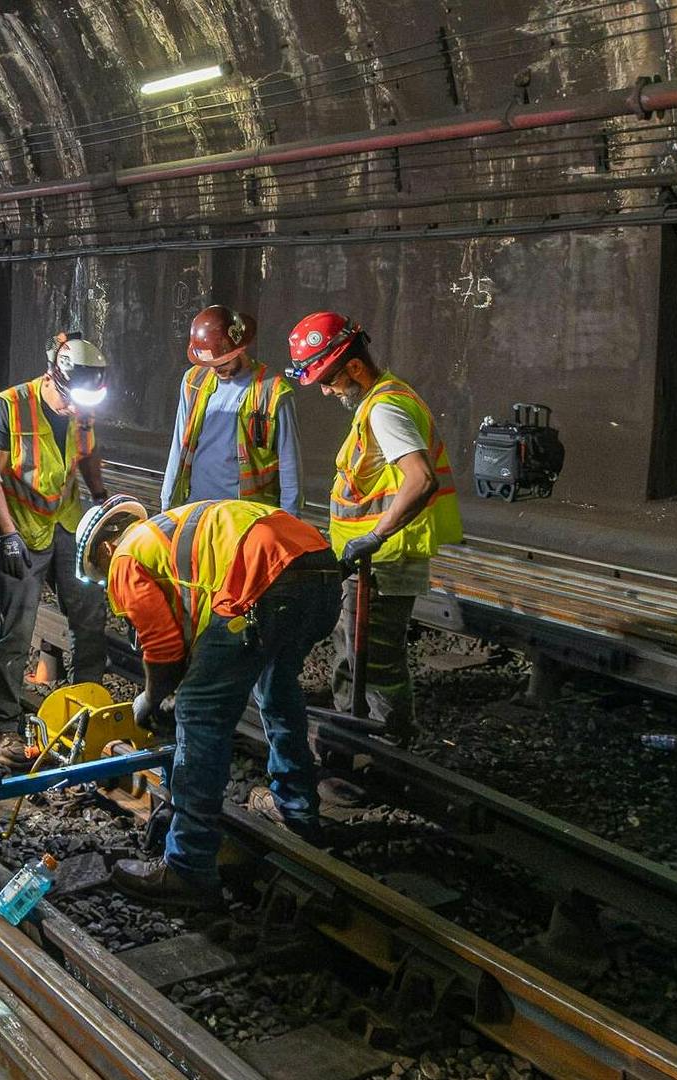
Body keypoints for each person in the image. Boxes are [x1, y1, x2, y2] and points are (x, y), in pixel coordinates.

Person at [75, 495, 341, 910]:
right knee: (276, 685)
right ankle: (296, 809)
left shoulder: (126, 556)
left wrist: (151, 698)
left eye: (100, 574)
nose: (108, 582)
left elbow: (163, 648)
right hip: (320, 568)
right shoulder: (171, 532)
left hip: (263, 581)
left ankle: (189, 866)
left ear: (104, 548)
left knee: (198, 712)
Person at [285, 312, 463, 743]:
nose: (326, 390)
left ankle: (385, 745)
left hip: (382, 560)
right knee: (356, 654)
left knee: (374, 660)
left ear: (354, 367)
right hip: (371, 561)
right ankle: (363, 739)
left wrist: (375, 535)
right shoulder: (383, 399)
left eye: (328, 380)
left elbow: (420, 479)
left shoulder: (385, 409)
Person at [0, 332, 112, 769]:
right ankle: (1, 724)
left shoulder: (83, 404)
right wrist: (7, 533)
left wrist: (100, 493)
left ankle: (85, 706)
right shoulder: (8, 407)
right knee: (17, 630)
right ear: (55, 379)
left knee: (90, 616)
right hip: (23, 529)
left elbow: (88, 451)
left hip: (68, 523)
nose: (78, 412)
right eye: (73, 402)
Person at [160, 306, 300, 514]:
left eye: (222, 361)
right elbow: (179, 444)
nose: (216, 369)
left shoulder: (273, 391)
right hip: (197, 506)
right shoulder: (193, 380)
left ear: (240, 348)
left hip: (245, 514)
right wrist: (167, 504)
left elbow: (290, 464)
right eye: (210, 363)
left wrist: (290, 520)